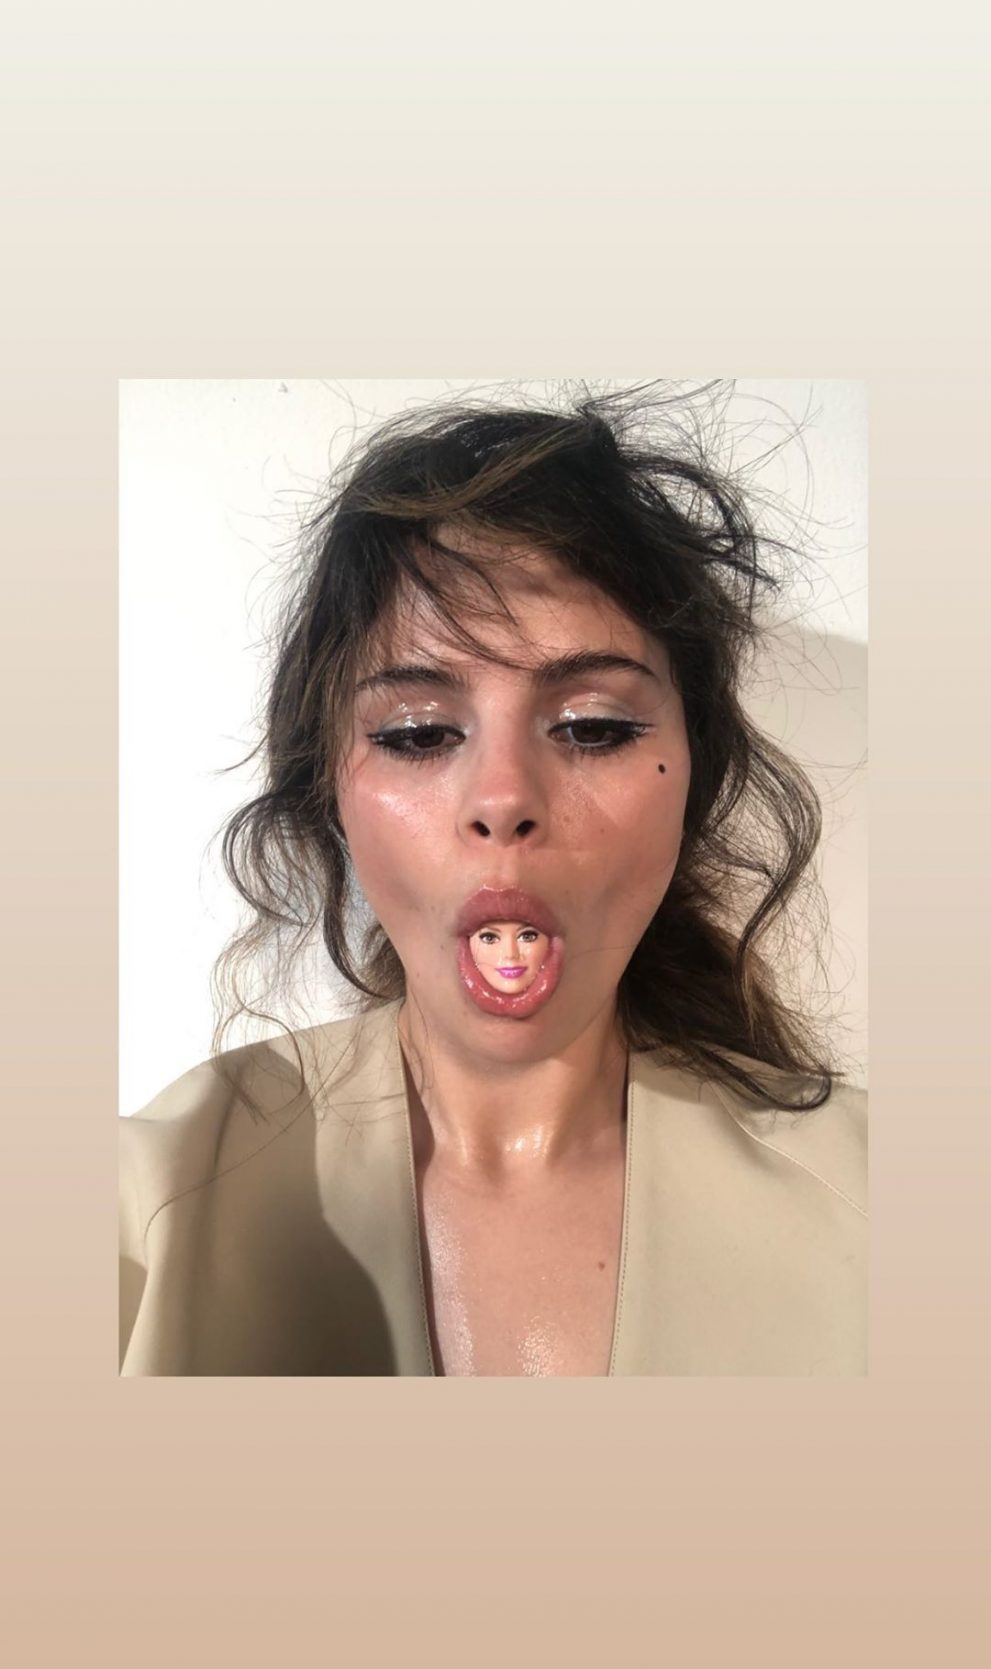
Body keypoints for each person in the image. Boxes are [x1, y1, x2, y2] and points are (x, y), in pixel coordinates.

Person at [119, 382, 866, 1377]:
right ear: (329, 786)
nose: (504, 797)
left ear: (693, 776)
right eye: (418, 733)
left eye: (593, 726)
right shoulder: (146, 1204)